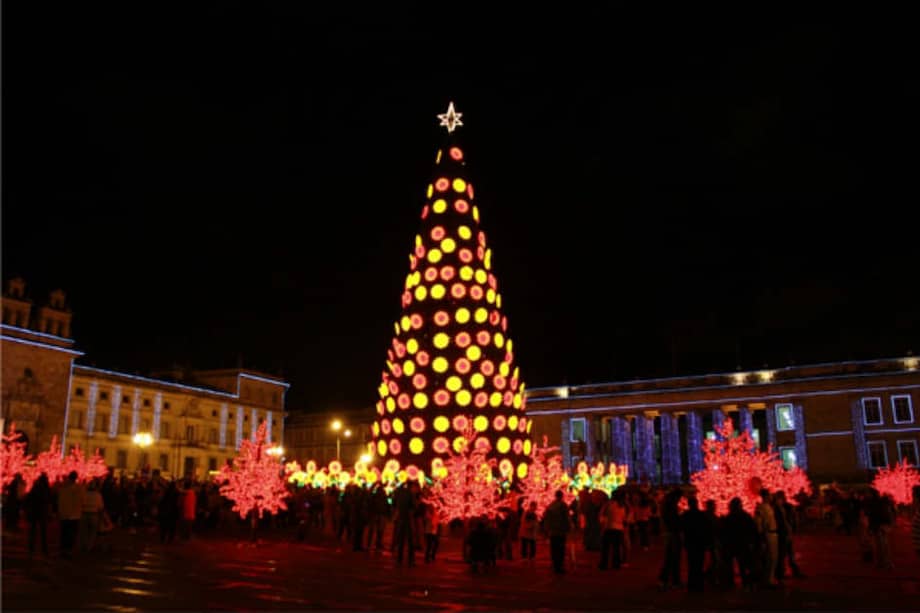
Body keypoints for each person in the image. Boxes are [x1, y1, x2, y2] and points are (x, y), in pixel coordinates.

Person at [720, 497, 758, 591]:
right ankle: (745, 581)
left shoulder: (731, 517)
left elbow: (724, 531)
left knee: (738, 564)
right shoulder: (744, 516)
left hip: (735, 544)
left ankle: (735, 581)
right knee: (743, 564)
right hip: (740, 544)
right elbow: (752, 529)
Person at [681, 497, 711, 592]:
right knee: (699, 564)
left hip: (691, 542)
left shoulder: (685, 515)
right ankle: (698, 584)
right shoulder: (701, 515)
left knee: (692, 564)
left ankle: (692, 584)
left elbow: (682, 528)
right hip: (699, 542)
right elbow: (706, 529)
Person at [657, 489, 683, 591]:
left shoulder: (667, 505)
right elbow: (674, 521)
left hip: (670, 533)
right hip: (673, 533)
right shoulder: (671, 507)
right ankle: (672, 580)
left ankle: (666, 580)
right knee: (674, 558)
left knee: (670, 558)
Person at [754, 489, 779, 588]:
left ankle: (771, 578)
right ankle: (767, 580)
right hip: (768, 534)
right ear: (765, 496)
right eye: (769, 495)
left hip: (774, 533)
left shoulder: (769, 507)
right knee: (770, 557)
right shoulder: (760, 508)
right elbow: (758, 523)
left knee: (774, 558)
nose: (771, 497)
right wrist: (761, 536)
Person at [57, 471, 84, 559]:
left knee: (64, 533)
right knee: (71, 534)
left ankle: (63, 550)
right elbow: (82, 500)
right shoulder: (79, 488)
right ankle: (69, 550)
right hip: (74, 515)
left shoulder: (63, 488)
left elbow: (59, 500)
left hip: (64, 514)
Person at [543, 490, 571, 574]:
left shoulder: (551, 505)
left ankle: (555, 565)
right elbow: (566, 518)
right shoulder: (563, 505)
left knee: (554, 548)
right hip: (561, 531)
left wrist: (547, 529)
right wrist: (568, 528)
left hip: (553, 531)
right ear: (561, 496)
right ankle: (559, 566)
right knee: (560, 549)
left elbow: (546, 517)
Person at [24, 473, 52, 558]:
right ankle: (44, 549)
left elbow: (28, 499)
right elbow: (50, 500)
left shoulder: (35, 488)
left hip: (34, 512)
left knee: (33, 531)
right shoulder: (47, 489)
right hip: (42, 512)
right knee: (43, 532)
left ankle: (31, 549)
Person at [598, 491, 626, 570]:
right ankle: (616, 564)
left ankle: (604, 564)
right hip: (619, 528)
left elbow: (602, 515)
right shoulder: (622, 505)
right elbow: (624, 518)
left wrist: (602, 525)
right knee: (616, 548)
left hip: (609, 527)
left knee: (605, 547)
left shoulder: (608, 504)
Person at [392, 482, 417, 566]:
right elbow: (413, 506)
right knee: (410, 541)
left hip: (400, 518)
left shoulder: (398, 493)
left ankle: (399, 560)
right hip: (408, 518)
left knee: (401, 540)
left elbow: (393, 503)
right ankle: (411, 560)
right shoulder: (410, 494)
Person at [80, 479, 105, 552]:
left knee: (84, 531)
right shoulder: (98, 495)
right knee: (92, 532)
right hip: (94, 514)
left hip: (84, 513)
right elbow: (101, 507)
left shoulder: (84, 494)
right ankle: (89, 546)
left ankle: (84, 545)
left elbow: (81, 503)